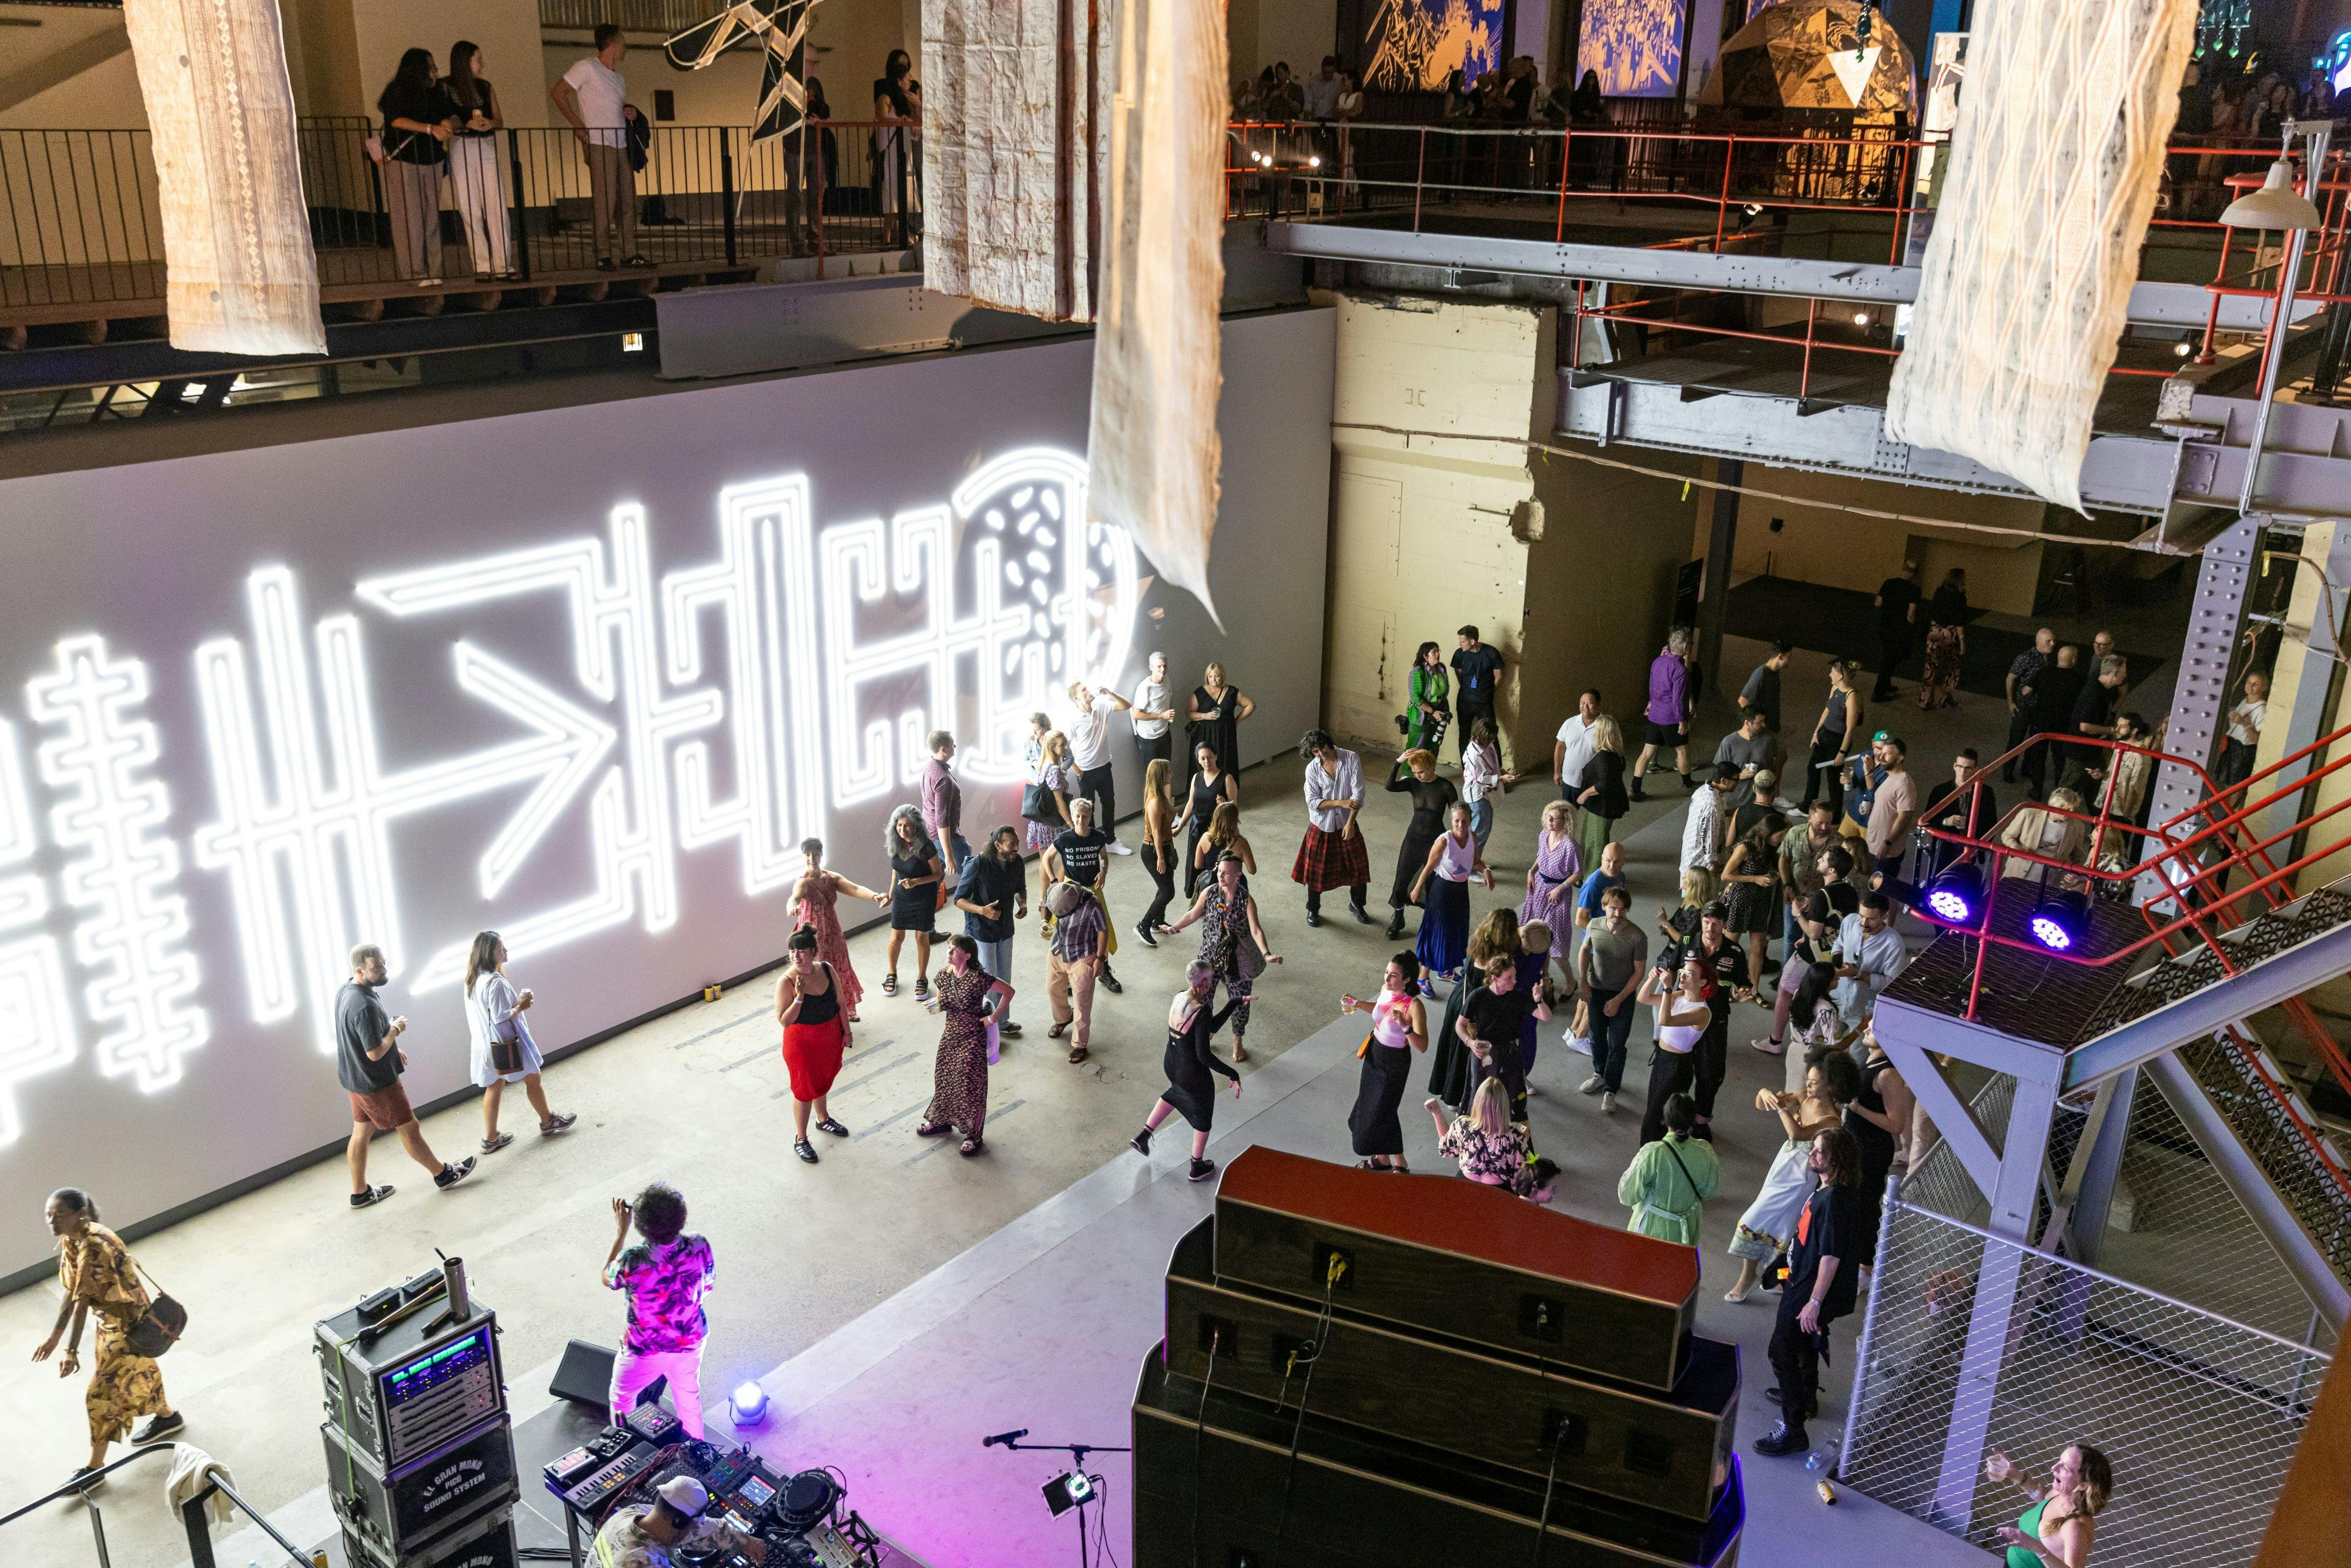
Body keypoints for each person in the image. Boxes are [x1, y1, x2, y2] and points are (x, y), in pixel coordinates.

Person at [33, 1188, 181, 1492]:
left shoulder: (94, 1247)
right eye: (49, 1215)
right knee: (139, 1370)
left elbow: (82, 1300)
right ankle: (168, 1417)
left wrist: (71, 1350)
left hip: (130, 1328)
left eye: (59, 1215)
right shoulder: (72, 1240)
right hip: (112, 1324)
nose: (52, 1221)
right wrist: (55, 1337)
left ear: (79, 1214)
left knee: (100, 1395)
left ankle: (95, 1469)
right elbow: (72, 1291)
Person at [1753, 1126, 1868, 1458]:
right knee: (1803, 1342)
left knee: (1781, 1350)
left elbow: (1830, 1258)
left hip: (1808, 1291)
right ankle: (1805, 1398)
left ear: (1837, 1160)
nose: (1813, 1154)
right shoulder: (1834, 1193)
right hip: (1804, 1282)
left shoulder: (1832, 1202)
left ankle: (1793, 1429)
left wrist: (1813, 1303)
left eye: (1820, 1151)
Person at [339, 944, 473, 1208]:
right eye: (376, 967)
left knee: (361, 1133)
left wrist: (393, 1047)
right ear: (360, 970)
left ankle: (360, 1193)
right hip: (378, 1082)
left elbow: (366, 1037)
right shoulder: (363, 1004)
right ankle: (442, 1174)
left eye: (383, 963)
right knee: (409, 1128)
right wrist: (396, 1030)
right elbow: (375, 1052)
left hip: (356, 1080)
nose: (384, 970)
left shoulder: (348, 990)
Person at [1725, 1047, 1860, 1302]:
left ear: (1831, 1086)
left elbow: (1797, 1134)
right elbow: (1764, 1104)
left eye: (1814, 1083)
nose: (1807, 1086)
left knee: (1773, 1223)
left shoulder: (1833, 1120)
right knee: (1776, 1223)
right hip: (1785, 1165)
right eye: (1807, 1081)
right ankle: (1770, 1278)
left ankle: (1755, 1278)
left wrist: (1780, 1107)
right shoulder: (1804, 1097)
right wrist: (1764, 1094)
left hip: (1802, 1175)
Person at [602, 1182, 714, 1435]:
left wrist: (621, 1232)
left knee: (622, 1396)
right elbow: (708, 1287)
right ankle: (698, 1454)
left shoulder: (633, 1258)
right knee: (688, 1397)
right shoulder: (699, 1244)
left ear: (642, 1226)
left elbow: (608, 1278)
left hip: (645, 1349)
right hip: (691, 1339)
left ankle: (628, 1453)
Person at [462, 932, 577, 1153]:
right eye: (500, 949)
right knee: (534, 1077)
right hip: (506, 1043)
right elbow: (500, 1016)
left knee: (494, 1086)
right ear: (489, 953)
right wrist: (521, 1006)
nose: (505, 952)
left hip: (485, 1045)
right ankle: (548, 1121)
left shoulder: (473, 979)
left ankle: (491, 1138)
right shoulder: (495, 983)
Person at [1131, 962, 1244, 1182]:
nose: (1212, 982)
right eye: (1210, 979)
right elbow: (1204, 1056)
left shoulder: (1179, 997)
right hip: (1191, 1070)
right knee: (1203, 1116)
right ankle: (1197, 1165)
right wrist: (1233, 1073)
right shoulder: (1201, 1012)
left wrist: (1234, 1003)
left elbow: (1208, 1027)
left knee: (1176, 1092)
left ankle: (1144, 1135)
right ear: (1204, 983)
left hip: (1172, 1063)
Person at [1164, 852, 1282, 1062]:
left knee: (1239, 1002)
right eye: (1219, 871)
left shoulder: (1246, 899)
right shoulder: (1210, 892)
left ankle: (1238, 1040)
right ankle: (1207, 1031)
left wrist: (1266, 953)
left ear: (1237, 876)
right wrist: (1173, 929)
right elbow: (1193, 914)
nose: (1221, 876)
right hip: (1210, 956)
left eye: (1226, 873)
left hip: (1239, 960)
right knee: (1203, 998)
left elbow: (1255, 929)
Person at [551, 27, 645, 270]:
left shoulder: (618, 78)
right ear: (613, 45)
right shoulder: (587, 67)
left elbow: (614, 107)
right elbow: (559, 92)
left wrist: (630, 112)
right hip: (599, 141)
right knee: (604, 200)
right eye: (623, 42)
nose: (625, 47)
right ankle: (602, 253)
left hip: (620, 142)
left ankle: (628, 252)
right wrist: (578, 124)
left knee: (627, 199)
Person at [916, 936, 1013, 1155]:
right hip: (950, 1035)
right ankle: (941, 1120)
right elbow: (944, 1002)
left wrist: (994, 1017)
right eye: (949, 949)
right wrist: (937, 1006)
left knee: (970, 1084)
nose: (949, 953)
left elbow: (1009, 992)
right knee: (945, 1079)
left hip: (972, 1037)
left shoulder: (979, 979)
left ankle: (973, 1134)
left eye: (955, 950)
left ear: (968, 955)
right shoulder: (942, 976)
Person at [775, 928, 853, 1162]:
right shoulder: (787, 981)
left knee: (821, 1081)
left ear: (812, 951)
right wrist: (799, 997)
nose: (796, 956)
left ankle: (823, 1119)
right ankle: (801, 1139)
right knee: (804, 1090)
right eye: (792, 951)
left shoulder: (827, 969)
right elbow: (784, 1021)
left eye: (801, 951)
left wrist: (846, 1032)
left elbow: (840, 1002)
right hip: (802, 1043)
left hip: (828, 1036)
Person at [1348, 953, 1432, 1171]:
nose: (1387, 979)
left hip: (1394, 1062)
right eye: (1387, 973)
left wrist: (1405, 1026)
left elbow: (1422, 1045)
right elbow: (1379, 1009)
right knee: (1379, 1106)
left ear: (1407, 980)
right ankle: (1385, 1158)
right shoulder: (1387, 990)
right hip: (1375, 1053)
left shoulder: (1414, 1006)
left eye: (1393, 976)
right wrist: (1357, 1003)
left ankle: (1398, 1161)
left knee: (1382, 1109)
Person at [1427, 910, 1519, 1107]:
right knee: (1468, 1054)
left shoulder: (1478, 943)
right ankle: (1459, 1097)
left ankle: (1449, 1093)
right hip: (1477, 1007)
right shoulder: (1500, 959)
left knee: (1453, 1046)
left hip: (1459, 998)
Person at [1843, 1023, 1913, 1276]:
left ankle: (1866, 1267)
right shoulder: (1870, 1062)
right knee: (1854, 1202)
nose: (1865, 1032)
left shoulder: (1888, 1075)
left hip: (1872, 1149)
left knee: (1867, 1206)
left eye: (1871, 1030)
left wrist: (1857, 1109)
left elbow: (1896, 1123)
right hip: (1857, 1143)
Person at [377, 49, 451, 284]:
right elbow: (396, 120)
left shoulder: (437, 92)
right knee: (409, 217)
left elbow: (446, 115)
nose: (434, 71)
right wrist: (430, 129)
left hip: (432, 157)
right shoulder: (398, 90)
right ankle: (415, 271)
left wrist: (447, 123)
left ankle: (434, 270)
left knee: (431, 216)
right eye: (430, 66)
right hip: (405, 158)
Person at [791, 837, 886, 1023]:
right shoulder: (803, 882)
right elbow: (794, 898)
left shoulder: (830, 878)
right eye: (807, 854)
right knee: (814, 972)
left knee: (839, 969)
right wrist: (791, 906)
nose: (812, 858)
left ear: (821, 854)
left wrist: (875, 896)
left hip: (833, 933)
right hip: (813, 939)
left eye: (815, 854)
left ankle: (845, 1009)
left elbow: (855, 889)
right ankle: (819, 1013)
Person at [440, 42, 513, 280]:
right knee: (468, 205)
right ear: (464, 61)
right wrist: (465, 123)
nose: (481, 64)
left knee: (496, 203)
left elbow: (499, 118)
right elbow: (447, 118)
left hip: (486, 144)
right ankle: (482, 264)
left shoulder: (485, 87)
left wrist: (491, 123)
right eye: (477, 59)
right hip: (461, 144)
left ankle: (503, 263)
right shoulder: (446, 87)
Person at [1454, 950, 1549, 1121]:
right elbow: (1460, 1025)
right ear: (1494, 978)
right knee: (1480, 1098)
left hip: (1510, 1054)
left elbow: (1545, 1017)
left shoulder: (1519, 996)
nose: (1515, 981)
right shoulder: (1478, 996)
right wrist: (1469, 1042)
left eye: (1514, 976)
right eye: (1508, 978)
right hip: (1483, 1053)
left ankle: (1510, 1141)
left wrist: (1539, 1000)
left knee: (1512, 1099)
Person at [1984, 1443, 2112, 1568]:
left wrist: (2038, 1549)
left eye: (2065, 1468)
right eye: (2059, 1461)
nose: (2054, 1467)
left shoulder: (2075, 1527)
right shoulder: (2061, 1494)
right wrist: (2015, 1475)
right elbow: (2043, 1497)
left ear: (2084, 1485)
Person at [597, 1476, 768, 1568]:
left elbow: (697, 1533)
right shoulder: (642, 1563)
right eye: (692, 1526)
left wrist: (744, 1541)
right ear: (679, 1522)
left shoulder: (637, 1512)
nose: (693, 1531)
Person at [1576, 884, 1646, 1110]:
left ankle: (1611, 1090)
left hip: (1622, 994)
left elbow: (1639, 972)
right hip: (1597, 990)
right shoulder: (1594, 925)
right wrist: (1583, 982)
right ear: (1604, 907)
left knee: (1617, 1043)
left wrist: (1618, 1000)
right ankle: (1599, 1073)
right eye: (1613, 908)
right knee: (1596, 1037)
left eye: (1623, 909)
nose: (1618, 914)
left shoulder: (1637, 937)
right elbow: (1585, 951)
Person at [953, 825, 1027, 1036]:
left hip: (1005, 930)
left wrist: (1023, 904)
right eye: (1011, 844)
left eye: (1017, 843)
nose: (1016, 848)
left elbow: (1020, 888)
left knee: (1004, 977)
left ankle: (1002, 1022)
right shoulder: (977, 865)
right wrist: (982, 911)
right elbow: (958, 899)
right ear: (998, 845)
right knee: (988, 980)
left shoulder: (1017, 863)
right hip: (981, 932)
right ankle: (985, 1027)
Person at [1617, 1095, 1720, 1245]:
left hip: (1650, 1230)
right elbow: (1710, 1191)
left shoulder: (1652, 1153)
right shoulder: (1705, 1151)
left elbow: (1627, 1196)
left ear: (1665, 1119)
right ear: (1693, 1120)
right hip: (1686, 1231)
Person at [1295, 730, 1372, 926]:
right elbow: (1313, 802)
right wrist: (1341, 803)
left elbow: (1359, 794)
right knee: (1315, 873)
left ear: (1329, 744)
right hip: (1322, 826)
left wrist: (1351, 823)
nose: (1320, 754)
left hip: (1347, 822)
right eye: (1315, 752)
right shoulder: (1312, 770)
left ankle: (1357, 904)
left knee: (1358, 867)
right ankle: (1313, 909)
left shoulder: (1351, 758)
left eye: (1322, 748)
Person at [1046, 796, 1123, 994]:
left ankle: (1104, 968)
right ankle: (1068, 974)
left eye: (1085, 817)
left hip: (1093, 889)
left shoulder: (1098, 837)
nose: (1081, 821)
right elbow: (1047, 858)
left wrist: (1103, 871)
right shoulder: (1064, 839)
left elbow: (1104, 858)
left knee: (1103, 928)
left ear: (1091, 817)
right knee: (1065, 931)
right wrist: (1055, 883)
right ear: (1072, 816)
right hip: (1070, 891)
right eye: (1078, 816)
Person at [1411, 802, 1492, 981]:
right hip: (1442, 890)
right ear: (1451, 821)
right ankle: (1423, 977)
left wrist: (1486, 871)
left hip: (1461, 890)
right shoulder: (1444, 841)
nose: (1461, 825)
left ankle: (1445, 970)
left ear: (1470, 820)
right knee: (1437, 931)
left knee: (1455, 930)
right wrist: (1417, 888)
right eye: (1457, 821)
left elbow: (1475, 862)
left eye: (1464, 821)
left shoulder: (1473, 837)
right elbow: (1429, 866)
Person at [1384, 748, 1459, 939]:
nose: (1419, 776)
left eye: (1422, 772)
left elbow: (1456, 814)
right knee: (1402, 878)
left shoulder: (1445, 787)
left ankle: (1430, 923)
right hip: (1413, 839)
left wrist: (1457, 838)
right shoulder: (1414, 783)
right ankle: (1398, 918)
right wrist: (1398, 762)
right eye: (1415, 773)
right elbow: (1390, 786)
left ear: (1432, 766)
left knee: (1432, 884)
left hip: (1435, 841)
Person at [1637, 960, 1714, 1145]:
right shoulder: (1680, 996)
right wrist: (1650, 980)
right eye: (1682, 971)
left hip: (1678, 1066)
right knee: (1653, 1110)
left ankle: (1649, 1153)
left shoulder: (1701, 1012)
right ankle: (1658, 1150)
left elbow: (1665, 1020)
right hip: (1662, 1058)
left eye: (1689, 974)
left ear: (1702, 982)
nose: (1682, 976)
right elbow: (1643, 999)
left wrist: (1667, 989)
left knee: (1655, 1118)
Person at [1428, 1077, 1538, 1192]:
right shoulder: (1516, 1135)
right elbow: (1524, 1179)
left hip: (1463, 1187)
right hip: (1498, 1193)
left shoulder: (1462, 1125)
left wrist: (1437, 1113)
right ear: (1504, 1105)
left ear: (1477, 1102)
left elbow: (1447, 1148)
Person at [880, 805, 944, 1001]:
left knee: (921, 937)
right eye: (899, 825)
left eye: (907, 826)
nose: (903, 830)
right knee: (896, 937)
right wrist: (891, 894)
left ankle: (922, 977)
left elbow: (938, 874)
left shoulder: (926, 846)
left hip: (924, 896)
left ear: (916, 826)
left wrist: (916, 882)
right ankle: (892, 973)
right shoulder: (895, 843)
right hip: (902, 896)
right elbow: (895, 871)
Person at [1036, 879, 1102, 1061]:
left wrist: (1100, 959)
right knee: (1053, 988)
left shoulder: (1092, 904)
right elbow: (1046, 906)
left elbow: (1103, 931)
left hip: (1083, 955)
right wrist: (1044, 921)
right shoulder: (1055, 890)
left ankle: (1080, 1045)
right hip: (1058, 949)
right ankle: (1063, 1018)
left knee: (1082, 1000)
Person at [1065, 681, 1134, 850]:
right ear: (1076, 698)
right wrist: (1077, 770)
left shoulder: (1101, 706)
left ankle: (1110, 841)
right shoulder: (1073, 720)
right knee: (1089, 809)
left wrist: (1110, 692)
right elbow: (1063, 748)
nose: (1088, 690)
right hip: (1085, 771)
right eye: (1083, 690)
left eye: (1087, 688)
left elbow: (1127, 705)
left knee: (1109, 802)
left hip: (1104, 766)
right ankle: (1095, 844)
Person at [1631, 628, 1696, 799]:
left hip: (1655, 715)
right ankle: (1688, 784)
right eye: (1690, 644)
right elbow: (1678, 699)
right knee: (1682, 751)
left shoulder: (1658, 662)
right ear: (1684, 648)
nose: (1690, 647)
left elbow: (1652, 688)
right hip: (1671, 718)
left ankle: (1635, 788)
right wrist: (1682, 721)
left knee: (1647, 752)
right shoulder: (1680, 670)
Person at [1918, 748, 1997, 884]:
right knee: (1939, 880)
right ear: (1955, 766)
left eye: (1968, 768)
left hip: (1969, 847)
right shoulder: (1940, 791)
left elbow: (1992, 823)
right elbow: (1927, 820)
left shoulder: (1986, 793)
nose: (1962, 772)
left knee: (1963, 883)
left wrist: (1979, 845)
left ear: (1976, 770)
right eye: (1960, 767)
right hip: (1944, 847)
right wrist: (1945, 821)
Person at [1719, 816, 1781, 987]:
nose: (1781, 839)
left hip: (1761, 901)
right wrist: (1755, 879)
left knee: (1758, 949)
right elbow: (1726, 875)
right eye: (1779, 835)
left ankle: (1753, 990)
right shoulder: (1746, 847)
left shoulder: (1770, 848)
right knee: (1729, 948)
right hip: (1740, 900)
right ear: (1768, 833)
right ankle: (1724, 986)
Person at [1833, 891, 1908, 1028]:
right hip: (1837, 999)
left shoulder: (1894, 943)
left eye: (1871, 919)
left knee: (1856, 1051)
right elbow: (1839, 943)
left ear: (1885, 916)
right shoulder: (1850, 921)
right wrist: (1837, 955)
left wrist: (1858, 974)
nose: (1864, 922)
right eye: (1861, 916)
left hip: (1863, 1012)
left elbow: (1891, 983)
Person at [1803, 659, 1864, 816]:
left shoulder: (1852, 696)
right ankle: (1807, 806)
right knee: (1813, 769)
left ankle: (1835, 815)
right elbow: (1827, 711)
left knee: (1833, 777)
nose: (1830, 674)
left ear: (1841, 675)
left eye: (1833, 672)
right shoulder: (1835, 688)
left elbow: (1850, 730)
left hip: (1838, 740)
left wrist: (1842, 753)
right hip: (1825, 736)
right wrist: (1816, 733)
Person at [1569, 713, 1629, 873]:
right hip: (1604, 805)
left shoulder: (1604, 756)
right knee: (1593, 838)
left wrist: (1586, 793)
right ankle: (1588, 871)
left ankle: (1591, 875)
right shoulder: (1615, 753)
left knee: (1595, 842)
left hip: (1603, 806)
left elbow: (1605, 783)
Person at [1181, 740, 1240, 900]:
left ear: (1216, 756)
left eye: (1210, 757)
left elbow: (1234, 807)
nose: (1207, 761)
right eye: (1203, 759)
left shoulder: (1226, 778)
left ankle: (1216, 898)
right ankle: (1197, 899)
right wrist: (1181, 826)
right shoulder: (1196, 778)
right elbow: (1191, 803)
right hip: (1197, 828)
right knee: (1195, 863)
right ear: (1198, 760)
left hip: (1217, 830)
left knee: (1214, 865)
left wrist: (1224, 804)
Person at [2024, 645, 2086, 798]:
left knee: (2038, 758)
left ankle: (2037, 790)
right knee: (2060, 761)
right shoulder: (2079, 679)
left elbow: (2026, 690)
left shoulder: (2044, 672)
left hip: (2040, 723)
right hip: (2063, 726)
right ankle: (2059, 792)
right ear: (2073, 660)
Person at [873, 49, 922, 246]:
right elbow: (881, 118)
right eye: (906, 79)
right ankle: (887, 236)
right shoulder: (885, 97)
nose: (910, 82)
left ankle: (907, 233)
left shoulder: (907, 102)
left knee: (908, 188)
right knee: (892, 190)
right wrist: (899, 120)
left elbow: (918, 124)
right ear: (899, 81)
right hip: (892, 148)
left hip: (906, 149)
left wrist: (917, 106)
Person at [1519, 799, 1582, 939]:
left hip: (1558, 892)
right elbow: (1541, 856)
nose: (1550, 820)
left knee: (1554, 932)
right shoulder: (1543, 835)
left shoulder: (1570, 846)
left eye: (1555, 818)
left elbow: (1578, 872)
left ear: (1565, 821)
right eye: (1549, 816)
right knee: (1532, 926)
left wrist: (1559, 889)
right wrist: (1532, 872)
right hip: (1539, 885)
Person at [1136, 757, 1180, 944]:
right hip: (1153, 851)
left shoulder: (1162, 797)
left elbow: (1164, 826)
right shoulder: (1154, 802)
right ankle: (1143, 925)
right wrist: (1160, 859)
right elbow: (1154, 832)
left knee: (1164, 887)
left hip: (1164, 848)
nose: (1171, 774)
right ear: (1161, 775)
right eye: (1168, 771)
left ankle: (1158, 922)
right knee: (1167, 891)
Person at [2004, 628, 2057, 783]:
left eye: (2054, 640)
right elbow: (2010, 679)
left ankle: (2026, 768)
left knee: (2033, 742)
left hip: (2039, 708)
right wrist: (2011, 702)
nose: (2053, 644)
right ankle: (2008, 771)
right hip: (2024, 706)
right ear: (2038, 641)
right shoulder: (2025, 658)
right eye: (2049, 641)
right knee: (2016, 740)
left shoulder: (2049, 659)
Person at [1187, 662, 1254, 783]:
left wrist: (1236, 721)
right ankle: (1204, 791)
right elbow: (1190, 714)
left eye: (1217, 676)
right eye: (1211, 676)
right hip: (1205, 734)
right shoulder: (1200, 692)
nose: (1214, 680)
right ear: (1207, 677)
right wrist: (1205, 716)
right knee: (1206, 762)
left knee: (1226, 761)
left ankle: (1227, 791)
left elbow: (1250, 705)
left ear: (1222, 676)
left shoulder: (1232, 692)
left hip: (1226, 734)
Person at [1864, 734, 1917, 884]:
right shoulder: (1891, 778)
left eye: (1887, 754)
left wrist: (1887, 843)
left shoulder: (1904, 784)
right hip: (1875, 847)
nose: (1881, 757)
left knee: (1880, 893)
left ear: (1900, 758)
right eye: (1882, 753)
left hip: (1886, 854)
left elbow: (1904, 818)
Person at [1449, 626, 1504, 763]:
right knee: (1464, 735)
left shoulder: (1491, 653)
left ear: (1472, 641)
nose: (1460, 644)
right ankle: (1466, 771)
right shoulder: (1460, 654)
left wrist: (1487, 692)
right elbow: (1459, 672)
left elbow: (1498, 677)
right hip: (1464, 701)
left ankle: (1497, 771)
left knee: (1491, 734)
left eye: (1463, 642)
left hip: (1484, 702)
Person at [920, 729, 969, 882]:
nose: (955, 747)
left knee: (935, 877)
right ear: (944, 750)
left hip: (931, 834)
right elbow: (942, 819)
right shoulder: (942, 779)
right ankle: (972, 907)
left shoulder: (929, 768)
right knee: (969, 874)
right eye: (952, 745)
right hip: (943, 837)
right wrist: (949, 857)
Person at [1871, 559, 1922, 701]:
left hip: (1886, 626)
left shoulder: (1888, 583)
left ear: (1903, 569)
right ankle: (1879, 693)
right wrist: (1911, 628)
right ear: (1914, 574)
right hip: (1900, 630)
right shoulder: (1914, 590)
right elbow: (1911, 613)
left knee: (1888, 656)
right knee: (1891, 659)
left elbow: (1878, 603)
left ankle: (1886, 685)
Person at [1460, 718, 1512, 850]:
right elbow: (1481, 779)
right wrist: (1501, 779)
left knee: (1484, 830)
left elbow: (1491, 762)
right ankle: (1470, 865)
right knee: (1479, 833)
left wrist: (1500, 771)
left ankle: (1475, 859)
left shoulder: (1486, 744)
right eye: (1490, 739)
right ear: (1482, 736)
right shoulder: (1475, 754)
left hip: (1487, 794)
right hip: (1478, 796)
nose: (1492, 741)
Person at [1024, 726, 1076, 857]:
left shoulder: (1044, 763)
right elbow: (1059, 802)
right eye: (1062, 745)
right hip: (1051, 821)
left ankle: (1053, 879)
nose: (1066, 747)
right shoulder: (1054, 769)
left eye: (1066, 743)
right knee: (1067, 854)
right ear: (1052, 747)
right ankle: (1058, 879)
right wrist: (1071, 824)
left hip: (1043, 818)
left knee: (1046, 858)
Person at [1682, 763, 1736, 883]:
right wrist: (1713, 864)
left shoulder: (1703, 790)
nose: (1737, 783)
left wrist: (1729, 812)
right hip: (1701, 864)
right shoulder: (1712, 805)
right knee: (1701, 898)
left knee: (1692, 898)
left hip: (1690, 854)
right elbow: (1709, 837)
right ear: (1723, 781)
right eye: (1736, 779)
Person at [1714, 711, 1776, 813]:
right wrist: (1739, 776)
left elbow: (1775, 762)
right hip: (1734, 804)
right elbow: (1719, 773)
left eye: (1764, 721)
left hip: (1761, 803)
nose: (1763, 725)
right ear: (1747, 723)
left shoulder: (1769, 739)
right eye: (1759, 722)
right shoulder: (1729, 742)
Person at [1552, 688, 1602, 812]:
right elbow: (1560, 747)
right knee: (1567, 818)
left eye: (1589, 703)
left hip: (1593, 785)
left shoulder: (1605, 726)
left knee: (1594, 820)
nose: (1585, 707)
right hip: (1570, 782)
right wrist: (1557, 771)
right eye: (1582, 703)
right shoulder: (1570, 723)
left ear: (1598, 704)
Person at [2217, 670, 2267, 790]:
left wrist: (2244, 723)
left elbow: (2257, 739)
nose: (2251, 686)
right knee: (2222, 785)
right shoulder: (2245, 701)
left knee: (2236, 789)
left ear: (2264, 688)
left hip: (2242, 752)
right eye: (2249, 682)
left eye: (2256, 684)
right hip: (2231, 746)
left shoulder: (2261, 709)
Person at [1918, 595, 1966, 711]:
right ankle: (1945, 697)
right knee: (1952, 667)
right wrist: (1962, 642)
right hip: (1950, 633)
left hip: (1935, 630)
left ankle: (1925, 699)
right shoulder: (1960, 598)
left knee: (1931, 666)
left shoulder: (1940, 592)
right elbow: (1959, 622)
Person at [1131, 651, 1178, 767]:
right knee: (1152, 777)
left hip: (1165, 733)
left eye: (1165, 666)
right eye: (1159, 666)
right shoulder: (1145, 688)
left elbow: (1167, 699)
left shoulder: (1167, 680)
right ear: (1151, 667)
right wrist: (1162, 715)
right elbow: (1136, 715)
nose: (1163, 669)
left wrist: (1168, 717)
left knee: (1166, 771)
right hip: (1149, 739)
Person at [1193, 799, 1257, 880]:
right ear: (1235, 821)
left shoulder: (1205, 837)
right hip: (1232, 888)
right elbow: (1252, 870)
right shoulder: (1241, 843)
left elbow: (1198, 865)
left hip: (1211, 887)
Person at [1739, 642, 1792, 736]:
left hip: (1771, 728)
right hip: (1762, 730)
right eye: (1788, 657)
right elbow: (1743, 700)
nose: (1789, 660)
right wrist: (1756, 722)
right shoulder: (1761, 674)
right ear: (1780, 657)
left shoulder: (1775, 672)